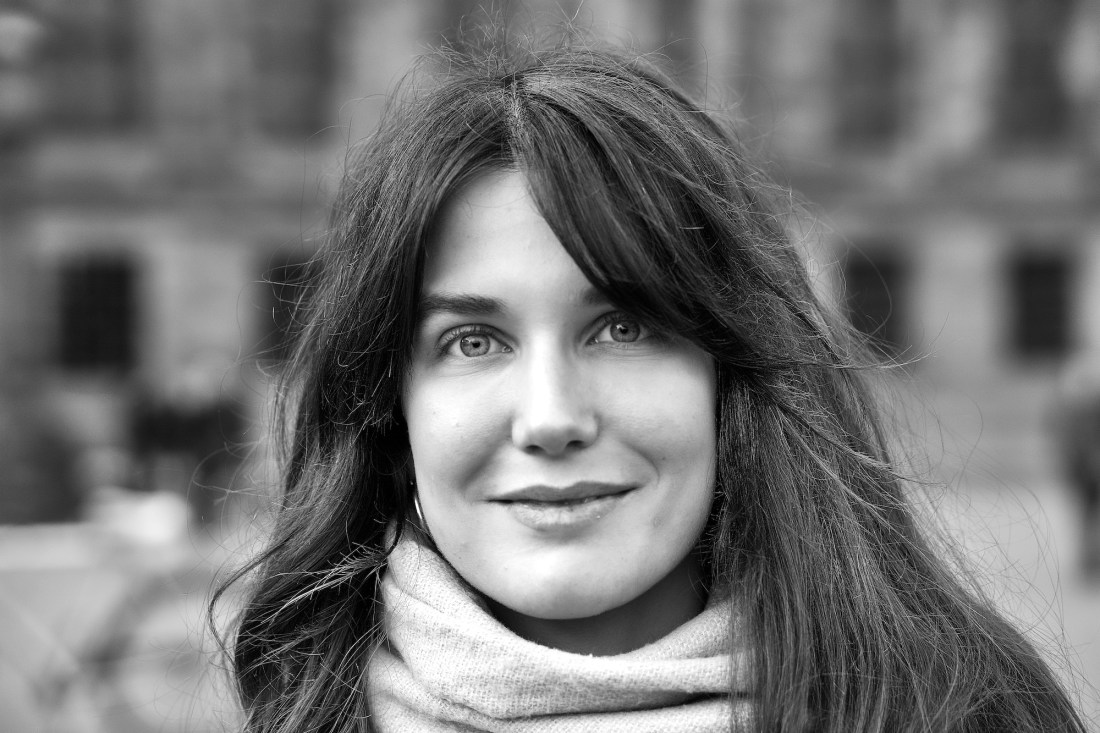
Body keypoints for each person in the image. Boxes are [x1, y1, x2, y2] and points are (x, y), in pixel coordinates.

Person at [215, 38, 1088, 732]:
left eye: (624, 328)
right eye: (474, 340)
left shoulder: (964, 710)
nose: (551, 417)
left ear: (731, 373)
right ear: (389, 410)